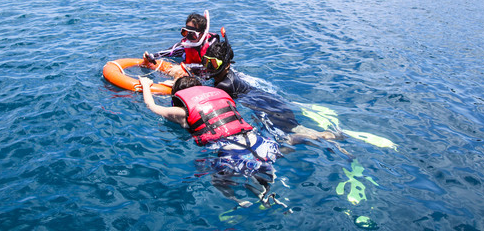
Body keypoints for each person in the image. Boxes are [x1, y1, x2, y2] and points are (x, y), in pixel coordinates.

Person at [139, 75, 287, 208]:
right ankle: (274, 198)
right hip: (258, 141)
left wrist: (146, 84)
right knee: (262, 174)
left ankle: (239, 202)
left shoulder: (180, 112)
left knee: (216, 180)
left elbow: (151, 106)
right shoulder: (220, 97)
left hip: (231, 152)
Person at [202, 32, 348, 150]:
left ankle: (326, 137)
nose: (208, 67)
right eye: (206, 61)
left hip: (268, 108)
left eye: (213, 63)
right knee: (295, 133)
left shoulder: (224, 85)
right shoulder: (226, 77)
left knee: (287, 141)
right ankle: (327, 139)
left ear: (226, 66)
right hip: (269, 101)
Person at [143, 11, 219, 78]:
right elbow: (167, 52)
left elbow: (214, 66)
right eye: (185, 32)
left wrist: (188, 67)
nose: (188, 37)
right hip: (190, 72)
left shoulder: (212, 44)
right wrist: (151, 56)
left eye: (192, 34)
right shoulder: (184, 46)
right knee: (175, 70)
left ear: (202, 34)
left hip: (208, 75)